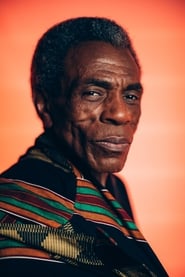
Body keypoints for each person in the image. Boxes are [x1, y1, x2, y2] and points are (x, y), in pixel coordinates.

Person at [0, 17, 168, 276]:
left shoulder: (114, 188)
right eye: (93, 93)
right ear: (44, 104)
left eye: (131, 96)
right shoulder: (13, 207)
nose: (122, 114)